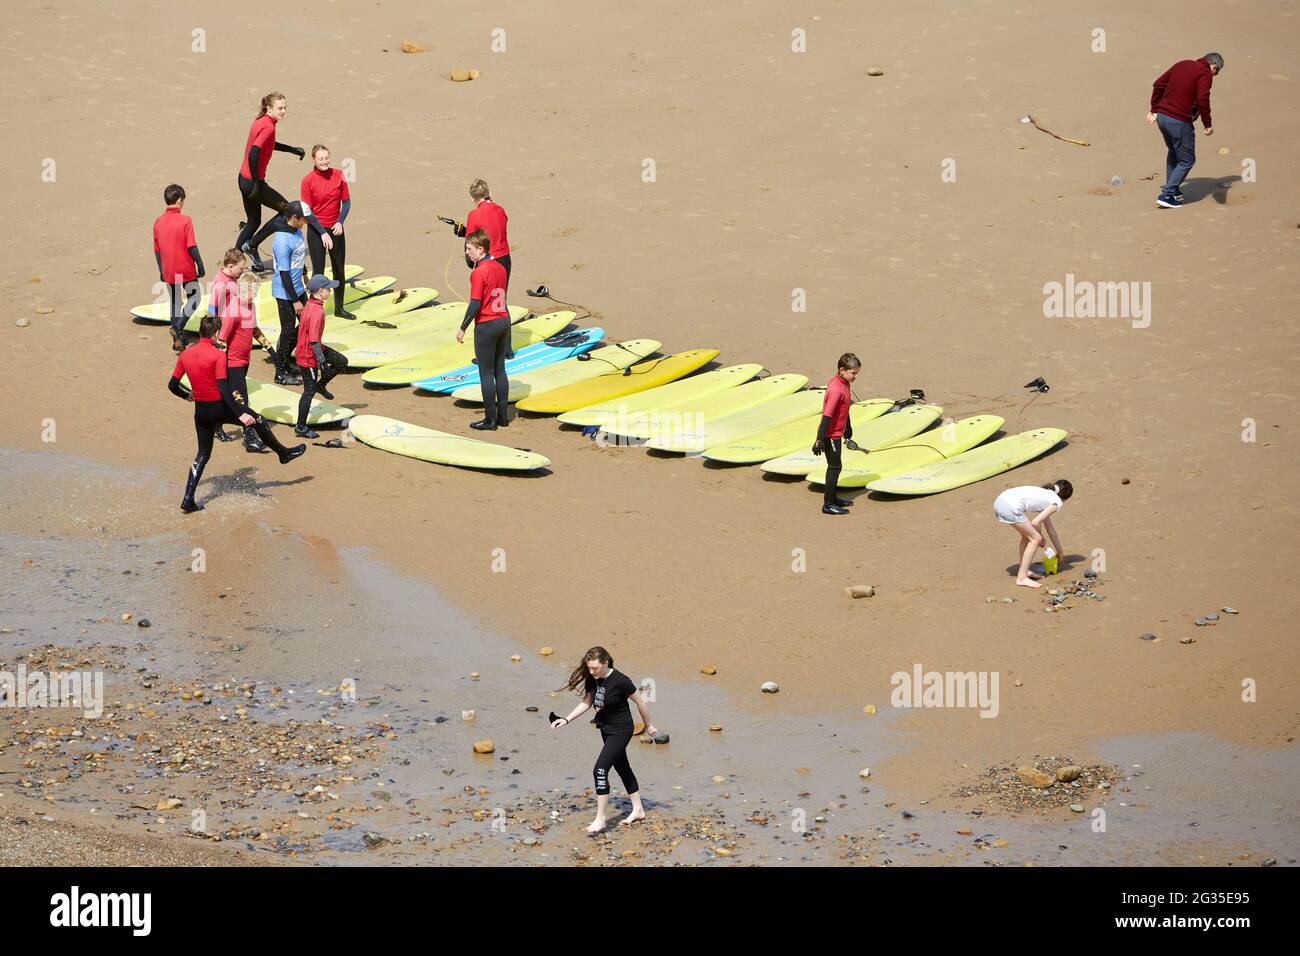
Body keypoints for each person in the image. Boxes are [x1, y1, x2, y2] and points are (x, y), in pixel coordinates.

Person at [168, 315, 306, 513]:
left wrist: (187, 395)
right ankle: (283, 453)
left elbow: (172, 385)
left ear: (200, 332)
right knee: (258, 419)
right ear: (216, 333)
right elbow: (224, 390)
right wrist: (240, 414)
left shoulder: (185, 355)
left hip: (201, 413)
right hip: (220, 408)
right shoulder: (218, 355)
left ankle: (188, 498)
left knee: (202, 455)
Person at [550, 647, 656, 834]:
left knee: (600, 769)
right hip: (606, 729)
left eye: (595, 668)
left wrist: (648, 726)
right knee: (622, 767)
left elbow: (640, 702)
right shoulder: (594, 679)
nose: (591, 672)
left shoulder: (621, 681)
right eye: (589, 668)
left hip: (622, 730)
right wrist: (566, 719)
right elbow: (586, 702)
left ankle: (601, 819)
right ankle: (638, 809)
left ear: (605, 663)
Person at [209, 249, 277, 451]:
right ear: (243, 290)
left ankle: (216, 423)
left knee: (230, 397)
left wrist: (270, 350)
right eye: (253, 291)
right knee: (242, 400)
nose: (256, 295)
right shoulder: (232, 310)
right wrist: (218, 363)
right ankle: (250, 438)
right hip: (231, 362)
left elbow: (254, 329)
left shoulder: (251, 306)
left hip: (244, 359)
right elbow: (222, 338)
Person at [234, 92, 306, 271]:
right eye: (280, 108)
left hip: (243, 179)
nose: (284, 111)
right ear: (269, 108)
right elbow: (254, 152)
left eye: (285, 108)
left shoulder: (261, 121)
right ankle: (251, 245)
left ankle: (234, 260)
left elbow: (267, 144)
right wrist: (258, 183)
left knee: (253, 222)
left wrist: (292, 149)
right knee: (287, 210)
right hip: (253, 183)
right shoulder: (269, 127)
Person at [1147, 53, 1223, 209]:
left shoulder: (1182, 64)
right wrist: (1207, 124)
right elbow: (1203, 98)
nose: (1215, 75)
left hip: (1162, 118)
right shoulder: (1204, 73)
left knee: (1174, 152)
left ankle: (1173, 189)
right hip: (1179, 121)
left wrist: (1154, 109)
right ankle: (1167, 194)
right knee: (1187, 160)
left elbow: (1157, 84)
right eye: (1217, 72)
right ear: (1213, 66)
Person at [456, 229, 511, 429]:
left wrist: (463, 327)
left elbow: (475, 304)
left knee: (486, 373)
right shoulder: (500, 268)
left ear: (480, 249)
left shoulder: (478, 272)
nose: (467, 253)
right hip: (504, 320)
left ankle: (490, 420)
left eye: (469, 249)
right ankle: (503, 416)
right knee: (500, 370)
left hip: (487, 324)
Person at [299, 145, 356, 319]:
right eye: (320, 159)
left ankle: (339, 308)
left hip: (336, 230)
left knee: (339, 269)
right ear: (314, 159)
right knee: (318, 272)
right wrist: (322, 232)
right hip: (317, 231)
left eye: (326, 158)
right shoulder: (307, 181)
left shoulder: (339, 175)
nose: (324, 162)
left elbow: (346, 203)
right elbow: (307, 211)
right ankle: (314, 311)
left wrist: (340, 222)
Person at [293, 275, 349, 439]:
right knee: (308, 391)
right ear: (320, 291)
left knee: (341, 361)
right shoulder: (316, 312)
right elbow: (313, 341)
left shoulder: (310, 304)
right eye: (328, 289)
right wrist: (322, 363)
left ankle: (321, 385)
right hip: (307, 355)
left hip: (312, 349)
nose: (330, 291)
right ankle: (301, 426)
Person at [153, 184, 205, 353]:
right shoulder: (185, 220)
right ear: (180, 201)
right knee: (195, 297)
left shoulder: (158, 222)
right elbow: (191, 245)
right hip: (185, 268)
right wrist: (200, 263)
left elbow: (157, 250)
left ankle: (179, 340)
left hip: (168, 268)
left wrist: (161, 270)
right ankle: (179, 327)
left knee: (175, 302)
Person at [993, 480, 1073, 588]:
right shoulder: (1057, 501)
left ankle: (1025, 570)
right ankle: (1022, 578)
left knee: (1027, 537)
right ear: (1065, 497)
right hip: (1010, 507)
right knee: (1035, 539)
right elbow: (1035, 522)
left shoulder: (1046, 494)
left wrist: (1059, 552)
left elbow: (1050, 530)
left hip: (1000, 501)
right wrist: (1041, 538)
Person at [812, 353, 863, 515]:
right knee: (835, 467)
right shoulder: (836, 389)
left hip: (837, 432)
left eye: (857, 373)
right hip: (830, 435)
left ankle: (833, 498)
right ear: (842, 370)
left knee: (835, 466)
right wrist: (820, 439)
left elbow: (843, 408)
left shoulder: (844, 383)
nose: (855, 376)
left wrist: (847, 426)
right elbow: (827, 414)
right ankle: (828, 505)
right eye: (853, 373)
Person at [269, 201, 312, 386]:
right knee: (287, 330)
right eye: (303, 219)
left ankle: (284, 360)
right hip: (286, 291)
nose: (306, 222)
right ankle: (280, 372)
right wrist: (295, 300)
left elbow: (298, 257)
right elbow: (284, 273)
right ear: (294, 218)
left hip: (298, 287)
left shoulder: (296, 231)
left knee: (306, 323)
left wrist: (304, 274)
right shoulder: (281, 241)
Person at [447, 179, 510, 288]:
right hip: (505, 259)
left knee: (485, 299)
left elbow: (470, 242)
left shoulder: (474, 214)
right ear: (490, 193)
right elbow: (492, 229)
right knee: (500, 298)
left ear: (472, 198)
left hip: (488, 262)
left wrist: (471, 263)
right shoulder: (500, 210)